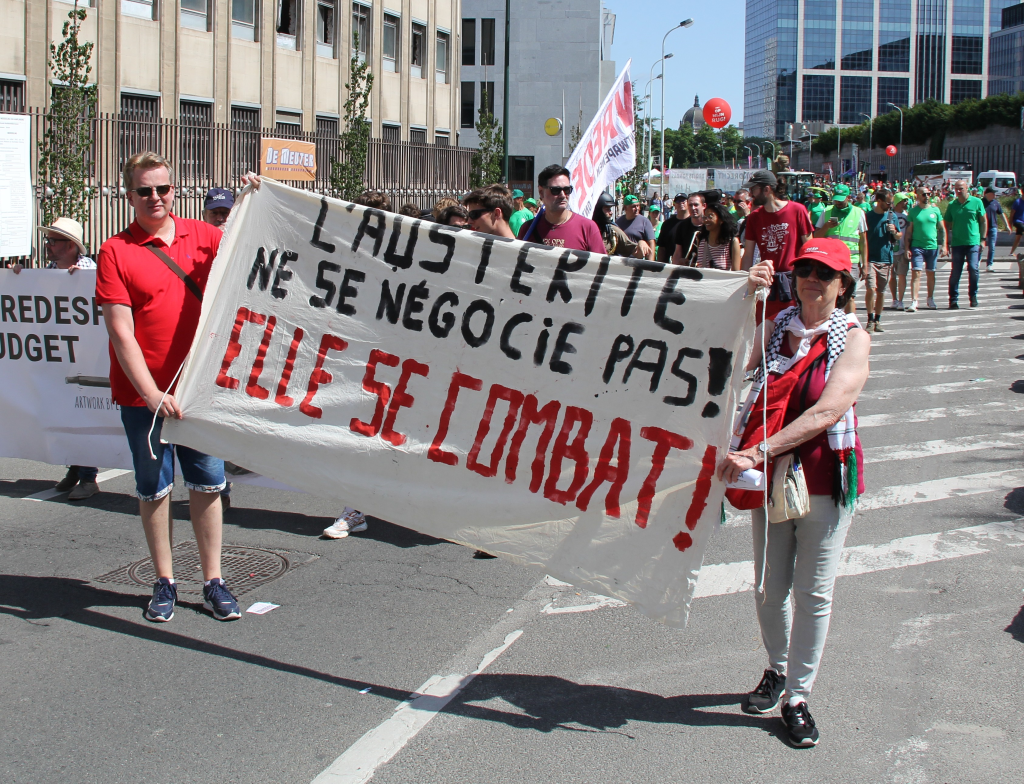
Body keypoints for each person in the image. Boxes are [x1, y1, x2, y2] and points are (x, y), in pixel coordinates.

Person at [721, 237, 869, 748]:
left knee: (813, 592)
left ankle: (799, 697)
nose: (812, 279)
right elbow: (728, 361)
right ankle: (777, 668)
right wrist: (745, 295)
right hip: (770, 480)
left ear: (842, 286)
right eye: (805, 269)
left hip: (823, 476)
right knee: (767, 586)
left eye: (824, 274)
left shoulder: (853, 337)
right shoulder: (778, 323)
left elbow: (828, 411)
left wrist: (759, 452)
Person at [95, 151, 240, 623]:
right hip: (144, 397)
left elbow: (256, 252)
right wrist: (153, 394)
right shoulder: (115, 250)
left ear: (175, 189)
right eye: (144, 190)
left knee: (208, 483)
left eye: (163, 188)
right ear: (129, 193)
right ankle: (165, 580)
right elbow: (121, 332)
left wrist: (256, 197)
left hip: (199, 390)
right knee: (154, 488)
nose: (155, 198)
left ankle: (214, 580)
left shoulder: (205, 237)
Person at [15, 218, 101, 500]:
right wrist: (16, 277)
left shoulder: (90, 270)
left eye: (53, 241)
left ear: (70, 246)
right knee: (64, 411)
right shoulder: (52, 270)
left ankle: (88, 477)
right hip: (60, 355)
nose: (48, 247)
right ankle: (75, 469)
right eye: (48, 241)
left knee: (83, 413)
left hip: (84, 357)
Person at [741, 170, 814, 319]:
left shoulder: (797, 210)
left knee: (793, 327)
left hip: (794, 282)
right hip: (766, 283)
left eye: (753, 189)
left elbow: (810, 248)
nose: (750, 194)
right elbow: (748, 255)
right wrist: (743, 283)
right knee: (764, 328)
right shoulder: (754, 217)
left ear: (766, 189)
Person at [516, 164, 605, 253]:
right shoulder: (527, 229)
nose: (563, 195)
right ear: (541, 192)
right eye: (555, 190)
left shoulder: (588, 228)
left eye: (567, 190)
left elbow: (602, 265)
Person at [813, 183, 868, 315]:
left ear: (849, 197)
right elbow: (815, 237)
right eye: (836, 199)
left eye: (841, 199)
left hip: (851, 260)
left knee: (849, 296)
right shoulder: (827, 211)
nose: (837, 202)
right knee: (830, 294)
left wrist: (864, 264)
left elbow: (863, 241)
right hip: (830, 260)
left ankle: (850, 325)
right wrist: (826, 227)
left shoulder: (858, 213)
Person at [860, 189, 901, 332]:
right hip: (870, 258)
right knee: (871, 288)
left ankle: (878, 319)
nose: (890, 206)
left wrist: (894, 232)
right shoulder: (868, 216)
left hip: (886, 258)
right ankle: (870, 319)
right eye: (888, 203)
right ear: (880, 201)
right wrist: (862, 260)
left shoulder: (891, 216)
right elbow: (862, 236)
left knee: (881, 291)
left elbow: (899, 235)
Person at [943, 180, 987, 309]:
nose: (958, 191)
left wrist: (983, 239)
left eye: (961, 188)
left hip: (973, 242)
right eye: (956, 189)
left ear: (967, 188)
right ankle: (953, 299)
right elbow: (946, 225)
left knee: (973, 269)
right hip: (957, 243)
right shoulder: (952, 205)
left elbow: (983, 221)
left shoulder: (976, 202)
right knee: (956, 272)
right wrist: (945, 243)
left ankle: (973, 295)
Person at [903, 186, 947, 311]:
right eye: (923, 194)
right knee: (916, 273)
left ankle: (930, 298)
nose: (926, 196)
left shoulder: (935, 210)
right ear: (918, 196)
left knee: (931, 273)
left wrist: (944, 245)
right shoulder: (913, 212)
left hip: (932, 246)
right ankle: (914, 300)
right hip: (917, 246)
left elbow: (942, 229)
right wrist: (907, 248)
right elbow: (909, 231)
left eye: (928, 194)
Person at [692, 201, 741, 271]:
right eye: (704, 217)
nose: (706, 220)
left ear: (721, 220)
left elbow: (736, 272)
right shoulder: (702, 242)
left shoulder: (732, 242)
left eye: (710, 217)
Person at [592, 192, 638, 257]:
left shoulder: (612, 230)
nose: (611, 212)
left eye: (610, 209)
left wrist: (641, 244)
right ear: (597, 210)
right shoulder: (585, 229)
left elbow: (634, 250)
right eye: (607, 209)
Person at [889, 192, 912, 310]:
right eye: (904, 201)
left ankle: (901, 300)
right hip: (890, 250)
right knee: (892, 277)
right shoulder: (890, 215)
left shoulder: (907, 215)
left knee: (902, 275)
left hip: (903, 249)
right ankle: (894, 299)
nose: (906, 203)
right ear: (898, 202)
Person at [615, 194, 656, 259]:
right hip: (621, 261)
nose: (637, 208)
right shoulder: (618, 222)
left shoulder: (645, 221)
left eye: (638, 206)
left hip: (637, 262)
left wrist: (650, 264)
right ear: (625, 208)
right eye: (633, 206)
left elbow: (651, 243)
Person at [671, 192, 707, 264]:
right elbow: (678, 252)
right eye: (690, 205)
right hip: (688, 270)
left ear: (704, 205)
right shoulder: (682, 226)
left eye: (696, 205)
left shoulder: (709, 225)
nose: (693, 208)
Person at [656, 193, 689, 262]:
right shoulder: (667, 224)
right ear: (674, 205)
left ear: (688, 203)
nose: (681, 203)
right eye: (678, 201)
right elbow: (661, 247)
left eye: (683, 201)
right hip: (669, 264)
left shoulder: (692, 223)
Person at [983, 187, 1007, 272]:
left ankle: (989, 264)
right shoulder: (981, 202)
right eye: (993, 194)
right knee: (980, 246)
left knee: (992, 246)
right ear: (987, 194)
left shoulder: (995, 203)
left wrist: (1006, 226)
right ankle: (976, 262)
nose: (994, 195)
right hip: (982, 228)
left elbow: (1001, 214)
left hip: (993, 227)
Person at [1008, 187, 1024, 257]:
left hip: (1023, 222)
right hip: (1017, 221)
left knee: (1018, 237)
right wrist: (1010, 225)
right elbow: (1012, 214)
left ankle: (1012, 252)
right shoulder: (1017, 202)